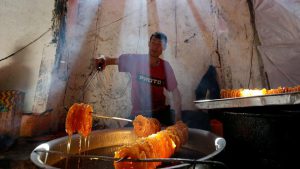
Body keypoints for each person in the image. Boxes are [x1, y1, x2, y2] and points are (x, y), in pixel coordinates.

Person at [94, 32, 181, 126]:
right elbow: (110, 60)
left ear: (164, 47)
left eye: (159, 44)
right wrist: (103, 60)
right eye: (153, 43)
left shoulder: (165, 67)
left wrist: (178, 119)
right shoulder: (135, 61)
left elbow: (176, 94)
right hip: (139, 114)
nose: (155, 47)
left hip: (159, 114)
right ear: (149, 43)